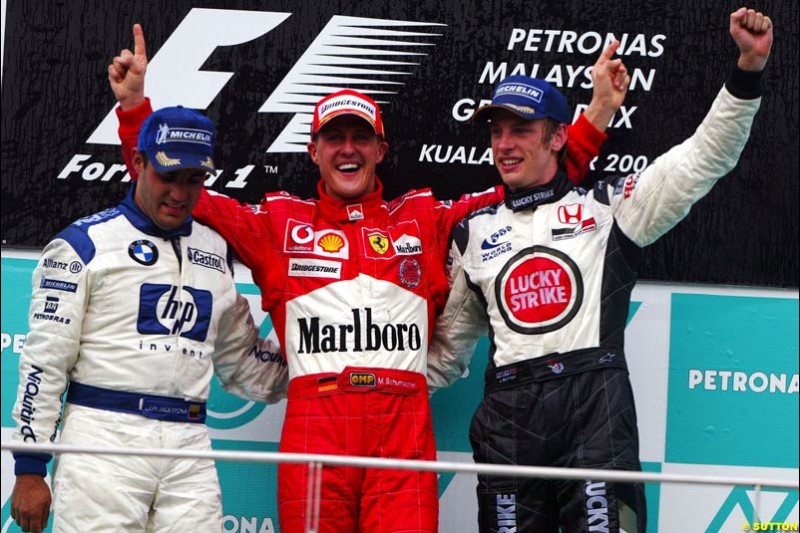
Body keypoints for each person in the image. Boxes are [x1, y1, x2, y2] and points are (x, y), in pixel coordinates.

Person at [109, 24, 628, 533]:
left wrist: (596, 117)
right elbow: (179, 191)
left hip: (402, 429)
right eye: (334, 138)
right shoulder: (278, 222)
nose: (348, 149)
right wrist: (135, 111)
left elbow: (531, 189)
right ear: (313, 151)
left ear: (382, 150)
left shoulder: (424, 216)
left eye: (361, 137)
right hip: (317, 426)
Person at [427, 6, 773, 533]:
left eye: (521, 130)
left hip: (594, 410)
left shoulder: (612, 208)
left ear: (558, 137)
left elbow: (705, 158)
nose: (504, 144)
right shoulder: (471, 233)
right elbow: (449, 350)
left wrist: (747, 69)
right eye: (497, 131)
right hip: (509, 418)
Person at [9, 106, 289, 533]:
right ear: (138, 163)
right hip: (102, 441)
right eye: (168, 176)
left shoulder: (214, 250)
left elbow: (243, 364)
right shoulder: (84, 244)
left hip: (189, 445)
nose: (180, 193)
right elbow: (45, 363)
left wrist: (325, 366)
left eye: (193, 180)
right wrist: (30, 468)